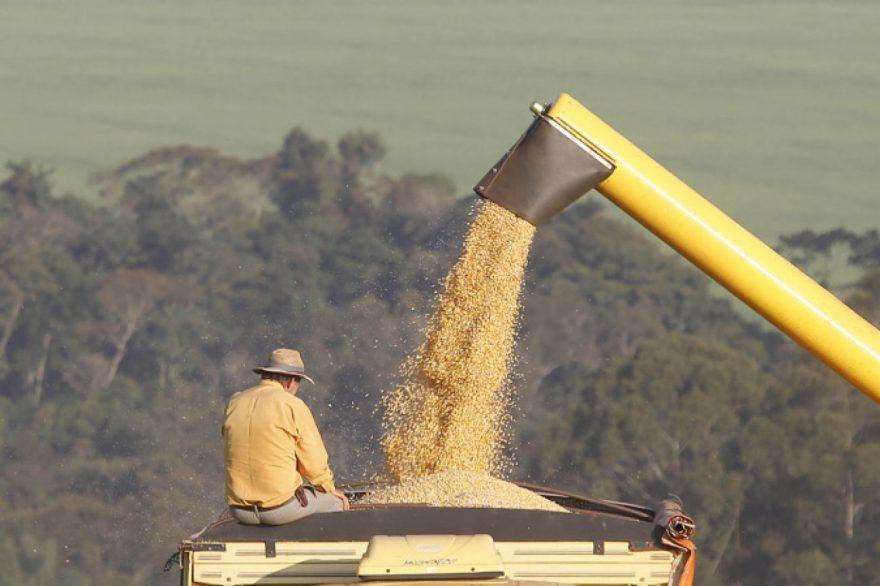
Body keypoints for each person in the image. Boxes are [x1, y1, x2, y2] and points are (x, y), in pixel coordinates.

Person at [222, 348, 349, 525]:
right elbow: (314, 463)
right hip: (279, 509)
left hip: (239, 511)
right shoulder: (292, 405)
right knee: (337, 503)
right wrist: (328, 487)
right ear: (290, 381)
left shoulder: (235, 402)